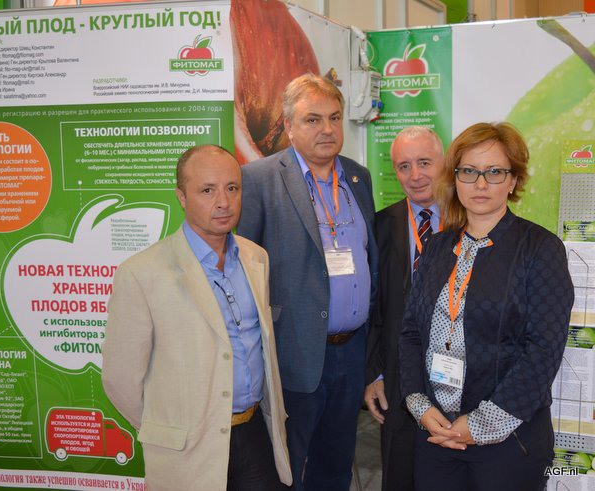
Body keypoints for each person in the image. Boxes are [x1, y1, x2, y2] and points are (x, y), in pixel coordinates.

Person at [102, 145, 292, 491]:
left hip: (255, 434)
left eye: (232, 188)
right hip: (189, 450)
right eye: (207, 190)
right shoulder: (142, 274)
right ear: (182, 197)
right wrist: (169, 430)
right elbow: (120, 380)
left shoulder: (256, 258)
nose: (223, 202)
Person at [399, 122, 573, 491]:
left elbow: (543, 351)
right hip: (436, 434)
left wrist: (479, 425)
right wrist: (420, 405)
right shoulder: (436, 247)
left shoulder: (539, 249)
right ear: (455, 178)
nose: (480, 184)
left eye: (494, 172)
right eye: (469, 171)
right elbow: (411, 333)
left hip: (508, 441)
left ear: (513, 180)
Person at [237, 73, 378, 490]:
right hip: (293, 353)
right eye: (313, 120)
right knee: (287, 469)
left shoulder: (358, 177)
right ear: (288, 126)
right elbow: (244, 271)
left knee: (336, 465)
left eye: (334, 118)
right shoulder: (259, 179)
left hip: (351, 352)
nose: (327, 129)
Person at [364, 126, 444, 491]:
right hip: (396, 381)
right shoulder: (379, 227)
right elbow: (371, 310)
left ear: (444, 162)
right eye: (404, 166)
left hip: (458, 381)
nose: (415, 176)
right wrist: (374, 374)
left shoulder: (469, 221)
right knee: (399, 475)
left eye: (424, 163)